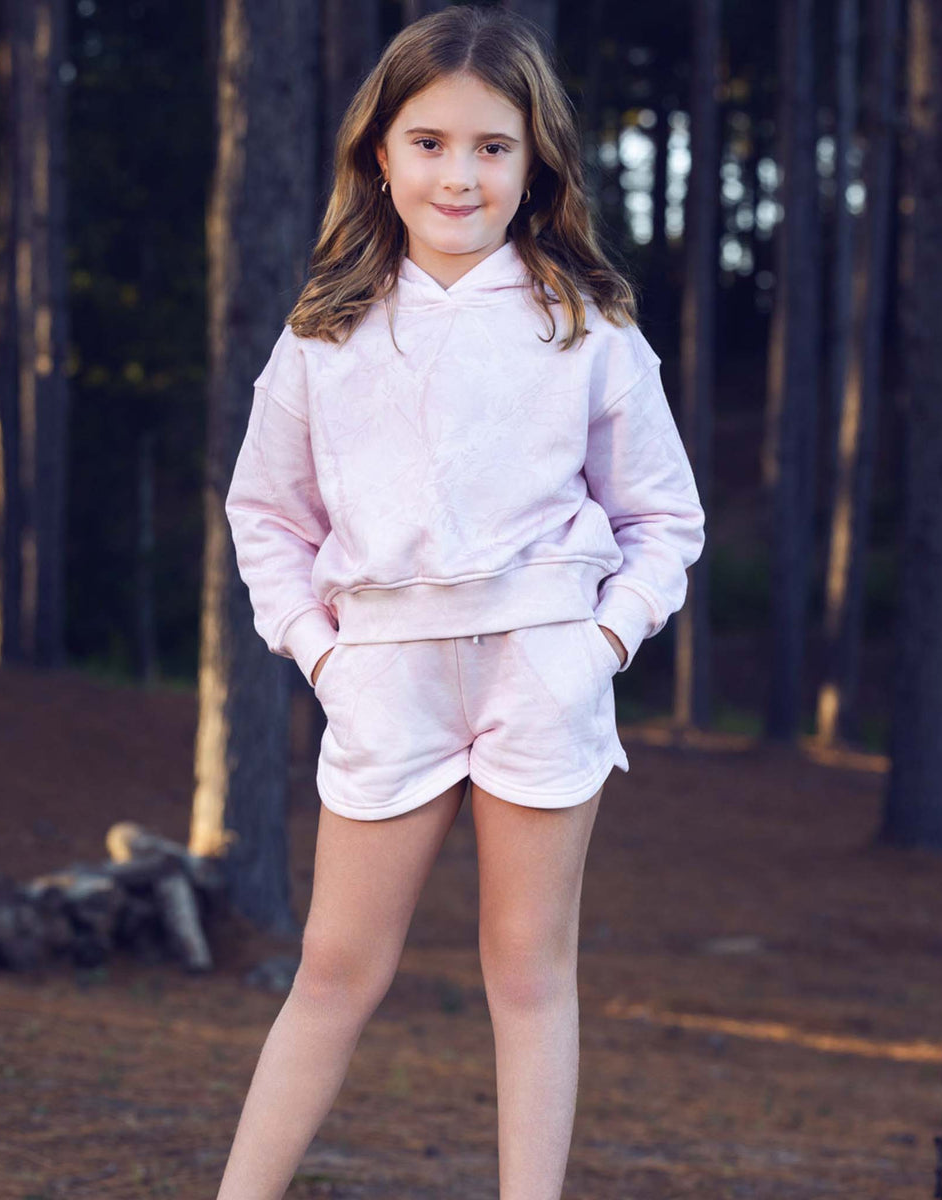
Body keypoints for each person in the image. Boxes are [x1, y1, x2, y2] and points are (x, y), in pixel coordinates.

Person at [217, 6, 705, 1197]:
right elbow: (266, 518)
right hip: (384, 672)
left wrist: (596, 642)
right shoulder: (321, 336)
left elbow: (665, 521)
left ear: (535, 161)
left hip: (543, 669)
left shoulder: (585, 324)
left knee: (528, 973)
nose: (460, 173)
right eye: (429, 142)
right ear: (378, 155)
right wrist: (326, 658)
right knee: (334, 970)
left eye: (493, 145)